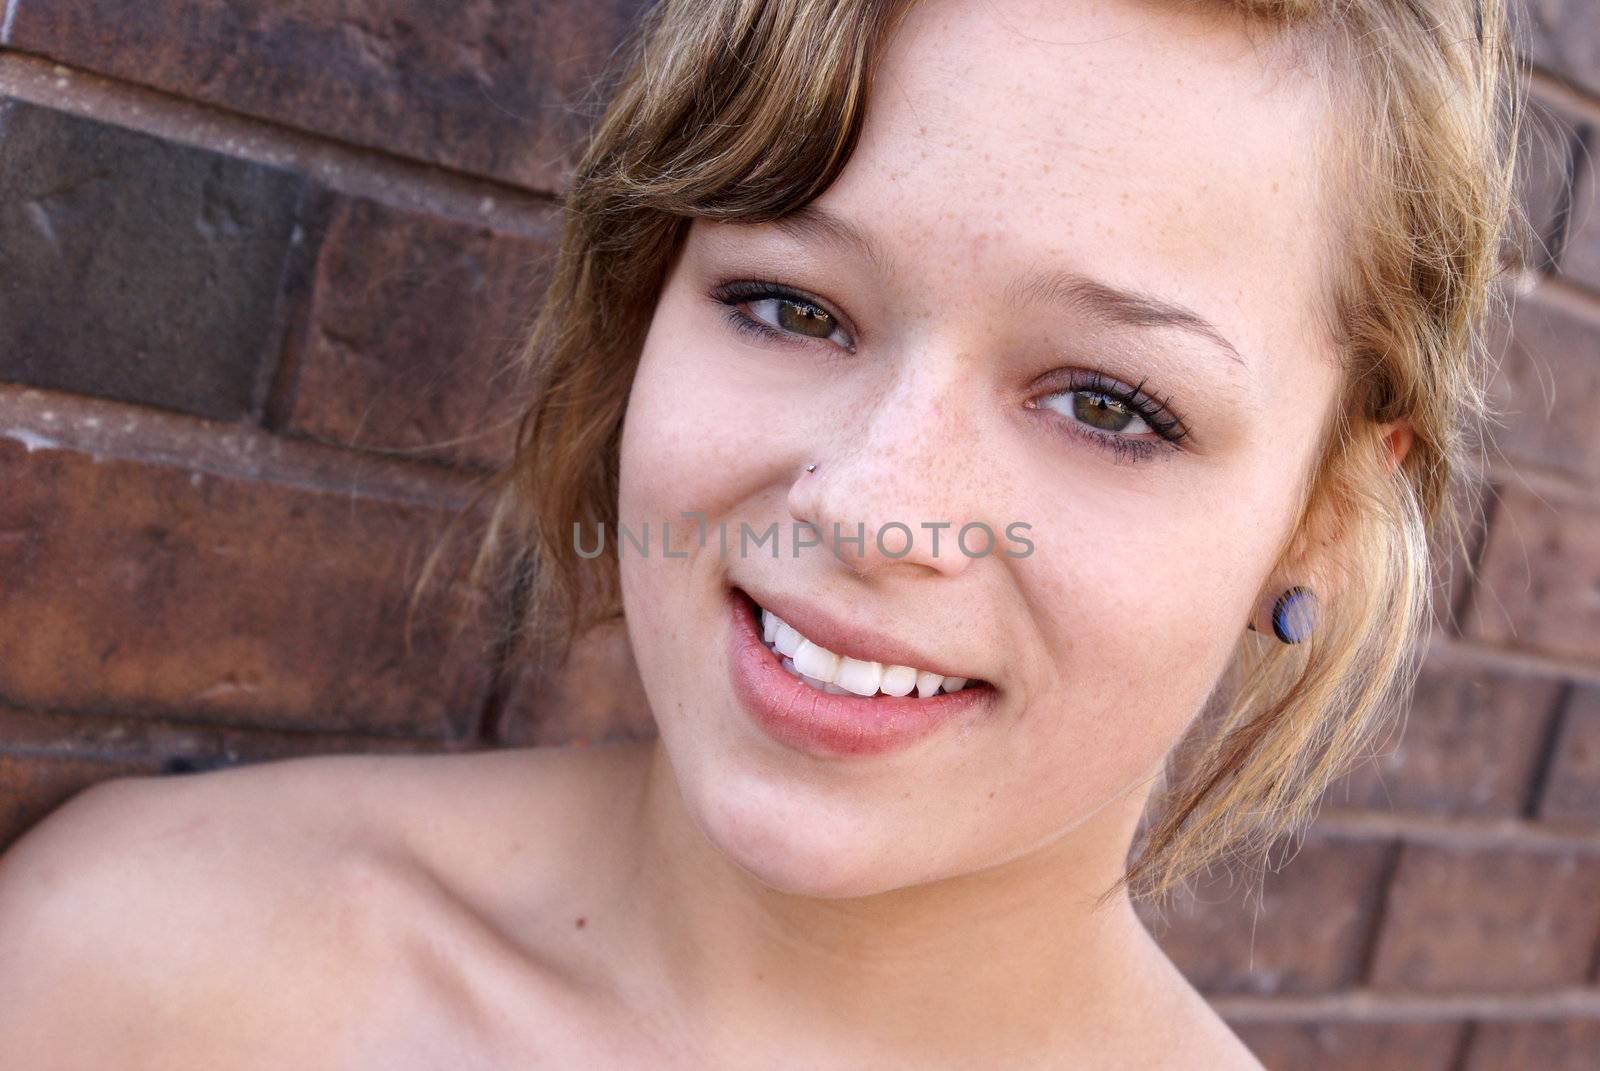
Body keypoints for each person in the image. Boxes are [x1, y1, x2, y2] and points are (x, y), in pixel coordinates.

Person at [0, 0, 1526, 1066]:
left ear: (1322, 518)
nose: (869, 504)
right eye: (791, 305)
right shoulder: (143, 966)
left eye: (1109, 405)